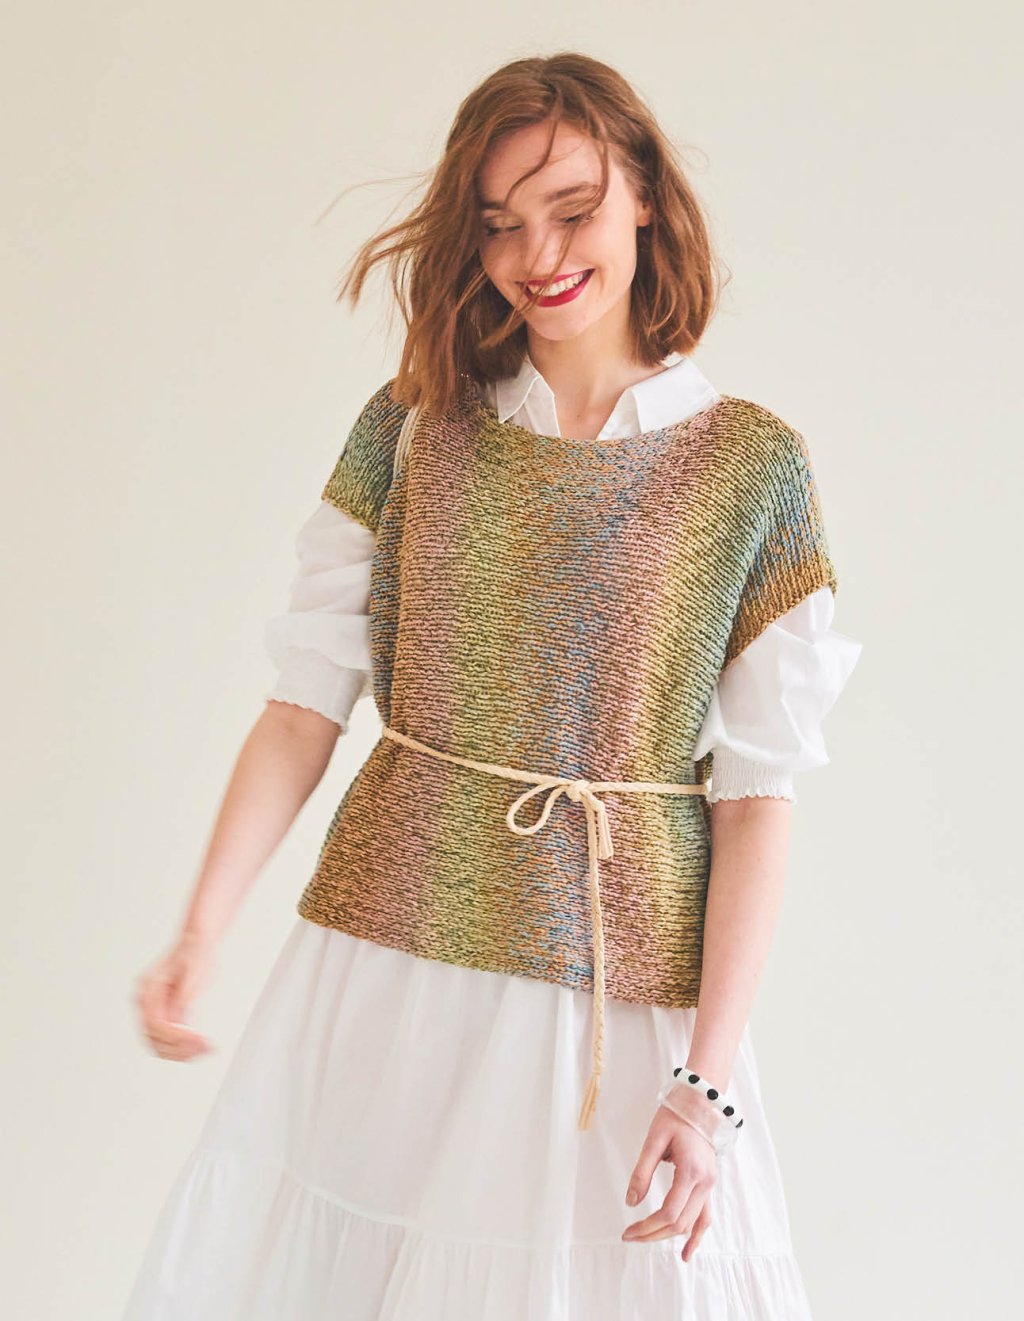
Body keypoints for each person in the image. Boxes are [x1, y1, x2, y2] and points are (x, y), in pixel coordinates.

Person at [123, 51, 861, 1320]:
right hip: (391, 962)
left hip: (618, 991)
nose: (539, 255)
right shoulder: (414, 426)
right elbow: (303, 707)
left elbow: (754, 798)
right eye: (501, 223)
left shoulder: (750, 467)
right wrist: (201, 929)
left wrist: (707, 1085)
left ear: (643, 195)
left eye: (572, 209)